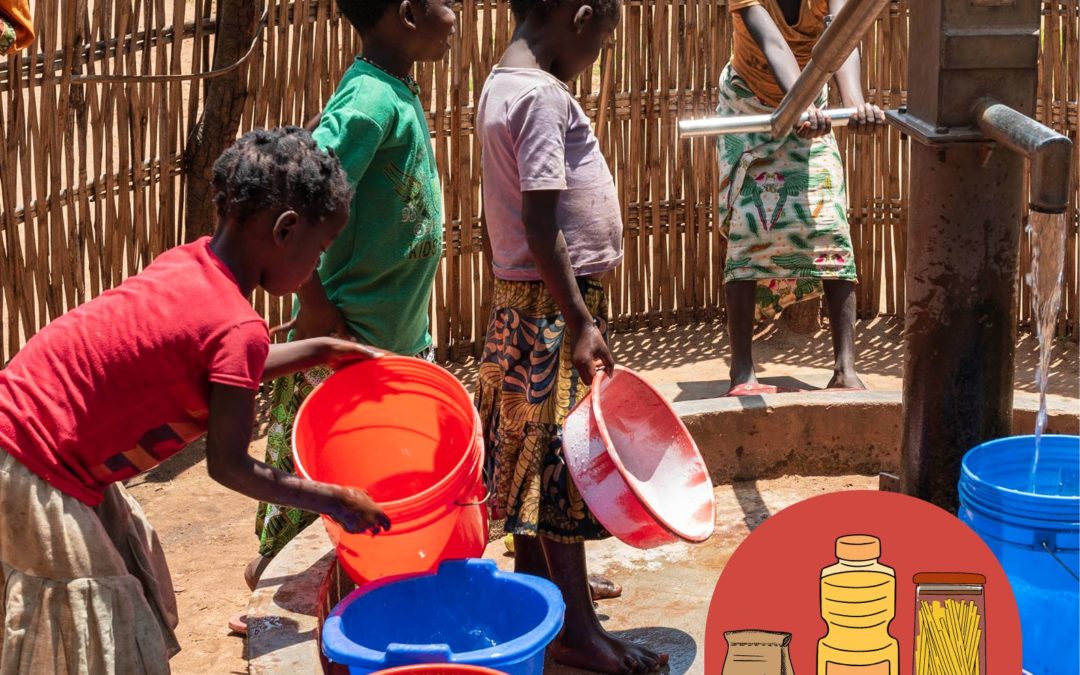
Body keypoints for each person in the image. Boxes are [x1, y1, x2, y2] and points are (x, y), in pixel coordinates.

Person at [0, 127, 390, 674]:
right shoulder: (237, 326)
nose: (318, 268)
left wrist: (318, 350)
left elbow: (217, 370)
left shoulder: (191, 264)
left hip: (25, 439)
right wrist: (336, 501)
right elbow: (228, 466)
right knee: (95, 637)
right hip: (36, 466)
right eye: (321, 251)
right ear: (285, 231)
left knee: (122, 587)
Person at [475, 1, 667, 672]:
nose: (600, 53)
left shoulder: (502, 82)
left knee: (533, 468)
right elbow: (539, 220)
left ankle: (546, 606)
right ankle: (577, 631)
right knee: (563, 466)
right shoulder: (543, 98)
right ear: (578, 17)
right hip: (554, 305)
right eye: (603, 38)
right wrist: (581, 319)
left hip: (528, 301)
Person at [248, 0, 456, 584]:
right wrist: (314, 301)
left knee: (372, 463)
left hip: (393, 330)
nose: (459, 13)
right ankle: (273, 581)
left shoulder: (391, 88)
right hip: (350, 332)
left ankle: (331, 573)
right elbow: (297, 193)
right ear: (407, 13)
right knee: (327, 464)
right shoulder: (368, 103)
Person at [720, 0, 886, 395]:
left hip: (811, 105)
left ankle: (845, 369)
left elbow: (843, 36)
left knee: (829, 220)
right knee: (748, 223)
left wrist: (853, 102)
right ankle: (742, 370)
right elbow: (773, 43)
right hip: (750, 106)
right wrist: (803, 106)